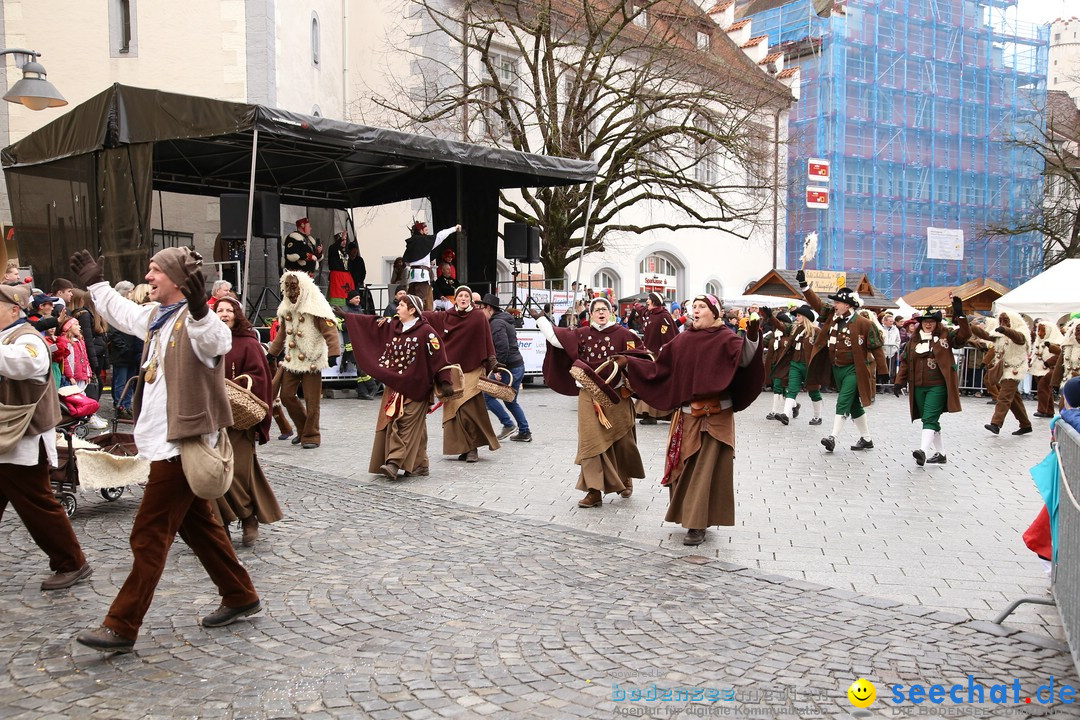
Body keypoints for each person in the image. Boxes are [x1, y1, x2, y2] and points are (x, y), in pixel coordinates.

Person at [71, 247, 260, 654]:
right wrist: (96, 284)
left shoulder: (195, 322)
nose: (149, 274)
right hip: (165, 442)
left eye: (157, 269)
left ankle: (121, 625)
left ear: (177, 278)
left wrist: (199, 308)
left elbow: (217, 340)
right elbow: (123, 313)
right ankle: (240, 593)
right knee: (201, 528)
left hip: (182, 445)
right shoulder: (158, 318)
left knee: (149, 534)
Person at [614, 293, 763, 546]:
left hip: (717, 418)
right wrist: (630, 363)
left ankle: (697, 524)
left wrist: (752, 337)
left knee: (705, 471)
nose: (695, 310)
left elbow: (746, 360)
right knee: (684, 470)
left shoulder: (727, 339)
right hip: (686, 417)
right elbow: (660, 369)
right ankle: (692, 515)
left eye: (701, 307)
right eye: (693, 307)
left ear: (714, 312)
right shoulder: (682, 340)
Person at [0, 284, 92, 591]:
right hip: (6, 438)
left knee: (38, 505)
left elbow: (25, 363)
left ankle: (72, 562)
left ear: (15, 309)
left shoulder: (28, 338)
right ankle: (71, 561)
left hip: (21, 439)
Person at [531, 297, 644, 507]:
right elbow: (557, 339)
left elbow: (643, 357)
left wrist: (627, 360)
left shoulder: (627, 335)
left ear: (611, 313)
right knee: (590, 443)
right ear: (590, 314)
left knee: (623, 440)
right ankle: (593, 491)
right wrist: (542, 320)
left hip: (617, 395)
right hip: (588, 394)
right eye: (596, 309)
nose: (600, 312)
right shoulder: (582, 334)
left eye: (605, 309)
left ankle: (626, 475)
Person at [342, 294, 454, 478]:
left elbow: (438, 356)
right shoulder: (395, 326)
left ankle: (394, 462)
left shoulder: (427, 332)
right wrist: (349, 316)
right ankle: (420, 464)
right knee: (412, 425)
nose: (398, 308)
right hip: (395, 386)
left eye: (401, 305)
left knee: (404, 424)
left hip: (417, 388)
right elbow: (372, 323)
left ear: (412, 310)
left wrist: (445, 380)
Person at [212, 297, 282, 546]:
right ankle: (222, 523)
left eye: (229, 310)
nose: (223, 314)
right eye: (219, 310)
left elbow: (261, 379)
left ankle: (248, 516)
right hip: (210, 419)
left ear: (237, 315)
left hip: (239, 420)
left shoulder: (248, 343)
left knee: (239, 472)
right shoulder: (206, 342)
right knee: (212, 473)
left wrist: (238, 384)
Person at [798, 271, 888, 452]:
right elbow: (817, 304)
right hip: (836, 368)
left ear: (847, 305)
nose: (834, 305)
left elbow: (877, 348)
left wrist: (884, 371)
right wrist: (805, 287)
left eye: (837, 302)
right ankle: (867, 439)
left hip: (855, 369)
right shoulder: (832, 316)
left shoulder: (864, 323)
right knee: (854, 405)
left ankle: (832, 437)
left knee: (843, 401)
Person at [423, 286, 501, 462]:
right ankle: (463, 447)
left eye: (467, 296)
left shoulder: (478, 317)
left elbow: (487, 339)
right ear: (455, 299)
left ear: (471, 300)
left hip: (472, 368)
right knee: (453, 411)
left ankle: (472, 448)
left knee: (467, 408)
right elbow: (425, 317)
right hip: (451, 370)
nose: (463, 298)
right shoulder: (446, 316)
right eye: (460, 296)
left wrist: (492, 362)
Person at [266, 271, 341, 449]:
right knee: (286, 396)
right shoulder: (285, 309)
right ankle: (302, 429)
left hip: (312, 359)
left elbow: (330, 331)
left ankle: (312, 435)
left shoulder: (317, 307)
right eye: (288, 287)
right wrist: (272, 353)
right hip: (292, 360)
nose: (291, 292)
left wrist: (333, 353)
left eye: (294, 287)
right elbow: (282, 334)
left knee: (311, 400)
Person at [893, 299, 971, 466]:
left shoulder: (946, 336)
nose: (928, 324)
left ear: (937, 323)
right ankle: (941, 454)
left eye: (932, 321)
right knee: (930, 419)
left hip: (938, 385)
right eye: (925, 321)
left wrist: (961, 315)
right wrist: (899, 382)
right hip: (918, 386)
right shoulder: (913, 340)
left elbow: (964, 336)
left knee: (929, 417)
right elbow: (905, 362)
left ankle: (922, 451)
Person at [477, 293, 531, 442]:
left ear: (488, 308)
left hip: (510, 366)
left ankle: (508, 424)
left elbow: (502, 348)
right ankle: (524, 431)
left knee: (487, 396)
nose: (479, 311)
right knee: (510, 400)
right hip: (516, 365)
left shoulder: (496, 323)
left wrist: (498, 369)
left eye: (481, 307)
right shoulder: (502, 320)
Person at [970, 310, 1033, 435]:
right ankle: (1025, 424)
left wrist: (1005, 330)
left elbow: (1019, 339)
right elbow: (986, 335)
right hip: (1004, 367)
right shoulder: (1000, 333)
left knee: (1004, 396)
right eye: (1002, 320)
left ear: (1013, 320)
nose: (1003, 323)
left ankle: (996, 424)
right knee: (1014, 399)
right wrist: (970, 325)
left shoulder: (1021, 330)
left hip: (1015, 368)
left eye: (1006, 320)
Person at [763, 305, 824, 425]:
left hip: (809, 366)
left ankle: (818, 417)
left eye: (799, 315)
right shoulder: (795, 329)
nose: (796, 317)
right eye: (796, 315)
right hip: (795, 364)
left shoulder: (816, 331)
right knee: (792, 389)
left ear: (806, 317)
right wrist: (770, 317)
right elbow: (781, 325)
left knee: (814, 391)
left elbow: (821, 350)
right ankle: (785, 415)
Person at [638, 291, 678, 425]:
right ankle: (648, 412)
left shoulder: (663, 316)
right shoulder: (650, 314)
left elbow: (670, 335)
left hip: (657, 355)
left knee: (654, 383)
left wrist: (664, 352)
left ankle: (657, 412)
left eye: (648, 299)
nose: (646, 301)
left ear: (654, 301)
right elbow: (641, 311)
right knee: (647, 382)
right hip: (648, 354)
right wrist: (636, 306)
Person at [403, 221, 461, 311]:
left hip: (412, 276)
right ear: (421, 231)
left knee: (411, 299)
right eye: (425, 230)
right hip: (422, 276)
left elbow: (406, 261)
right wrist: (454, 228)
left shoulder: (412, 242)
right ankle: (418, 321)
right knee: (420, 300)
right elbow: (441, 235)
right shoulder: (424, 241)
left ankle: (410, 318)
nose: (427, 233)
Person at [761, 309, 792, 423]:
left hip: (784, 365)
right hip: (773, 363)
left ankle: (774, 411)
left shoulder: (789, 335)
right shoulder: (773, 335)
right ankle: (793, 405)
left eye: (781, 322)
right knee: (781, 388)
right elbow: (762, 342)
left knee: (778, 387)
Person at [1031, 319, 1063, 418]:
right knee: (1045, 389)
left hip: (1052, 369)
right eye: (1039, 330)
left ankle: (1042, 409)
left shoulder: (1057, 342)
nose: (1040, 333)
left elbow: (1061, 355)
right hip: (1040, 369)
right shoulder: (1039, 341)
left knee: (1042, 385)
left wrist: (1048, 362)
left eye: (1042, 331)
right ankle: (1049, 411)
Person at [1051, 318, 1080, 411]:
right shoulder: (1067, 346)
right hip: (1068, 383)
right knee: (1063, 408)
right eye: (1078, 330)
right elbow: (1059, 366)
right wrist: (1055, 383)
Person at [326, 229, 355, 306]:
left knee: (348, 297)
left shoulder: (346, 251)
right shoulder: (333, 249)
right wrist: (341, 239)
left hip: (346, 277)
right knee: (337, 298)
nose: (344, 242)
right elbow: (334, 248)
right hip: (337, 276)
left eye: (345, 240)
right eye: (342, 240)